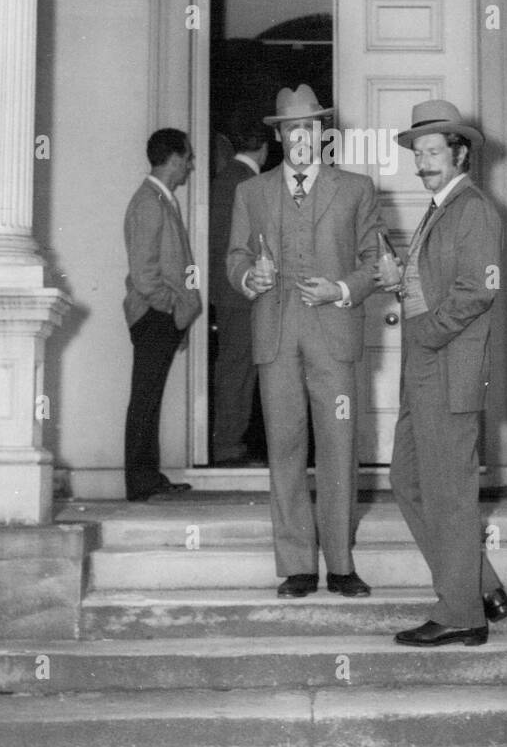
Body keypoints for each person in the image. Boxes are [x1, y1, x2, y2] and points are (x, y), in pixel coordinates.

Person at [226, 84, 382, 598]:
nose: (301, 137)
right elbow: (234, 258)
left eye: (310, 127)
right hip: (275, 337)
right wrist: (251, 278)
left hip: (333, 338)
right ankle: (297, 564)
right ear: (280, 136)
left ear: (322, 134)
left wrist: (339, 288)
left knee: (338, 447)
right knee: (285, 448)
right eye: (291, 128)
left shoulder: (357, 189)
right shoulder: (251, 192)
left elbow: (372, 264)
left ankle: (340, 563)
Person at [387, 100, 507, 646]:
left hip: (447, 370)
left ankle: (462, 613)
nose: (423, 162)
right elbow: (438, 285)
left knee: (448, 494)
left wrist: (426, 332)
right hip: (425, 370)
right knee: (408, 481)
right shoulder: (440, 208)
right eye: (418, 153)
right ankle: (482, 587)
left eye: (433, 151)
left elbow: (479, 289)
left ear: (459, 153)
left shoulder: (473, 209)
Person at [123, 128, 201, 502]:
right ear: (173, 158)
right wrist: (172, 308)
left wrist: (180, 311)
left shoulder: (162, 200)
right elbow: (144, 275)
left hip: (163, 315)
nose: (191, 165)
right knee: (145, 398)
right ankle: (139, 483)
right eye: (188, 157)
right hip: (154, 316)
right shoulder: (149, 202)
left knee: (150, 398)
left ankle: (147, 477)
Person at [209, 110, 269, 465]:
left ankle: (230, 442)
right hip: (243, 293)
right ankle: (229, 445)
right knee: (239, 370)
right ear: (263, 147)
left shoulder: (224, 178)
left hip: (229, 292)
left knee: (237, 369)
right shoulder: (248, 183)